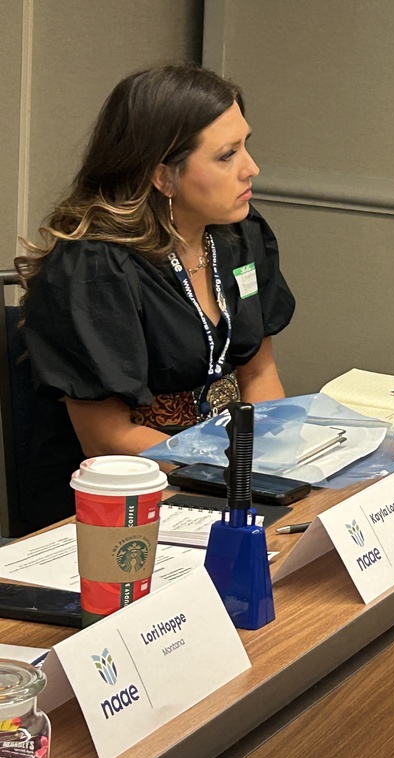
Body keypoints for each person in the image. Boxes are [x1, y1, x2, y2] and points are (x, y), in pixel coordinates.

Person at [15, 64, 295, 528]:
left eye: (246, 145)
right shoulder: (94, 269)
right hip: (122, 495)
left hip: (225, 474)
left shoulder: (238, 235)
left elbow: (259, 374)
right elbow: (105, 439)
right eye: (227, 155)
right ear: (163, 176)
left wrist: (275, 467)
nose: (252, 168)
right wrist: (232, 476)